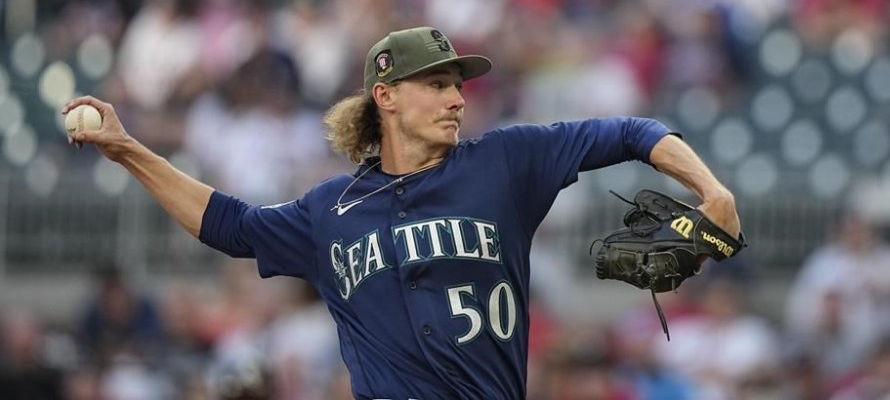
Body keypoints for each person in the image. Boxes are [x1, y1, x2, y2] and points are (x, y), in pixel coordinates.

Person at [64, 26, 742, 399]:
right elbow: (230, 226)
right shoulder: (330, 209)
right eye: (437, 84)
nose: (457, 98)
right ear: (385, 97)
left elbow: (630, 131)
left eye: (458, 85)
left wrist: (714, 192)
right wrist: (128, 150)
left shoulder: (505, 163)